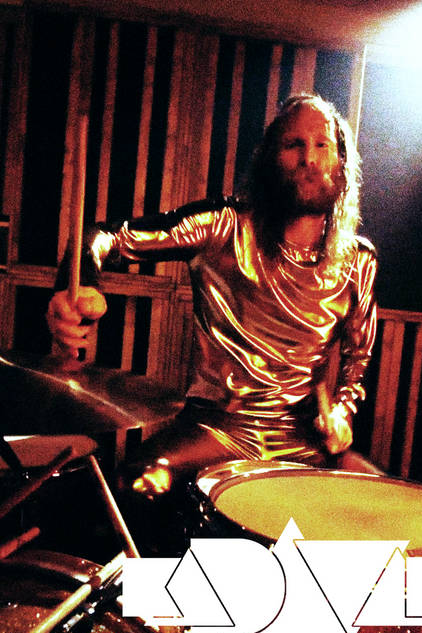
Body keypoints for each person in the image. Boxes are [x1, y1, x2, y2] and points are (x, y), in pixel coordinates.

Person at [46, 94, 378, 506]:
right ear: (271, 159)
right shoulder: (224, 226)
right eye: (294, 144)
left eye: (321, 144)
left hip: (302, 440)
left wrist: (342, 412)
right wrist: (78, 282)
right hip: (215, 430)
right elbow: (105, 236)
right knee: (134, 488)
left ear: (341, 162)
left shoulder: (359, 261)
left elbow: (357, 360)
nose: (309, 158)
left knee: (390, 509)